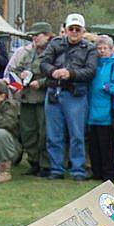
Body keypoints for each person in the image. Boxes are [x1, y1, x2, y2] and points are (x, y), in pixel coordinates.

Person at [40, 12, 98, 181]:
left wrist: (70, 74)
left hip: (75, 96)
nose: (73, 32)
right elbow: (44, 63)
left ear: (83, 31)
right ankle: (56, 169)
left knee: (77, 135)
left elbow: (90, 71)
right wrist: (53, 72)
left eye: (77, 29)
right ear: (65, 29)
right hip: (53, 94)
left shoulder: (90, 49)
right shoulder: (55, 44)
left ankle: (77, 170)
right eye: (71, 28)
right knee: (53, 135)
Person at [10, 21, 52, 176]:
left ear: (47, 35)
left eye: (37, 35)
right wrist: (18, 77)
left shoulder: (53, 53)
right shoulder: (28, 53)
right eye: (32, 36)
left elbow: (55, 76)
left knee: (44, 133)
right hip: (26, 97)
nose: (34, 38)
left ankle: (45, 165)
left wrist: (40, 83)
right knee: (28, 133)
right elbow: (14, 70)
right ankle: (33, 162)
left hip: (43, 99)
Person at [87, 34, 114, 182]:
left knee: (108, 147)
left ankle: (109, 173)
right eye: (99, 48)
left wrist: (108, 87)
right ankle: (96, 172)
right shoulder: (93, 65)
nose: (102, 51)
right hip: (93, 114)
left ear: (111, 49)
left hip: (108, 113)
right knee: (94, 146)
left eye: (105, 48)